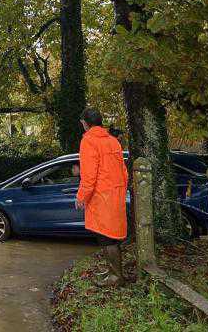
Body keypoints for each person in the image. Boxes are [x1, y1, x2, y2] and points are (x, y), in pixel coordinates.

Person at [75, 107, 132, 286]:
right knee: (113, 237)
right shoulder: (113, 141)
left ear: (85, 123)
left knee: (106, 238)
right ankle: (113, 271)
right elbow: (124, 172)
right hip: (115, 195)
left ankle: (116, 277)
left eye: (82, 122)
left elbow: (89, 175)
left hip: (101, 198)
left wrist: (81, 197)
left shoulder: (89, 142)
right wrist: (120, 191)